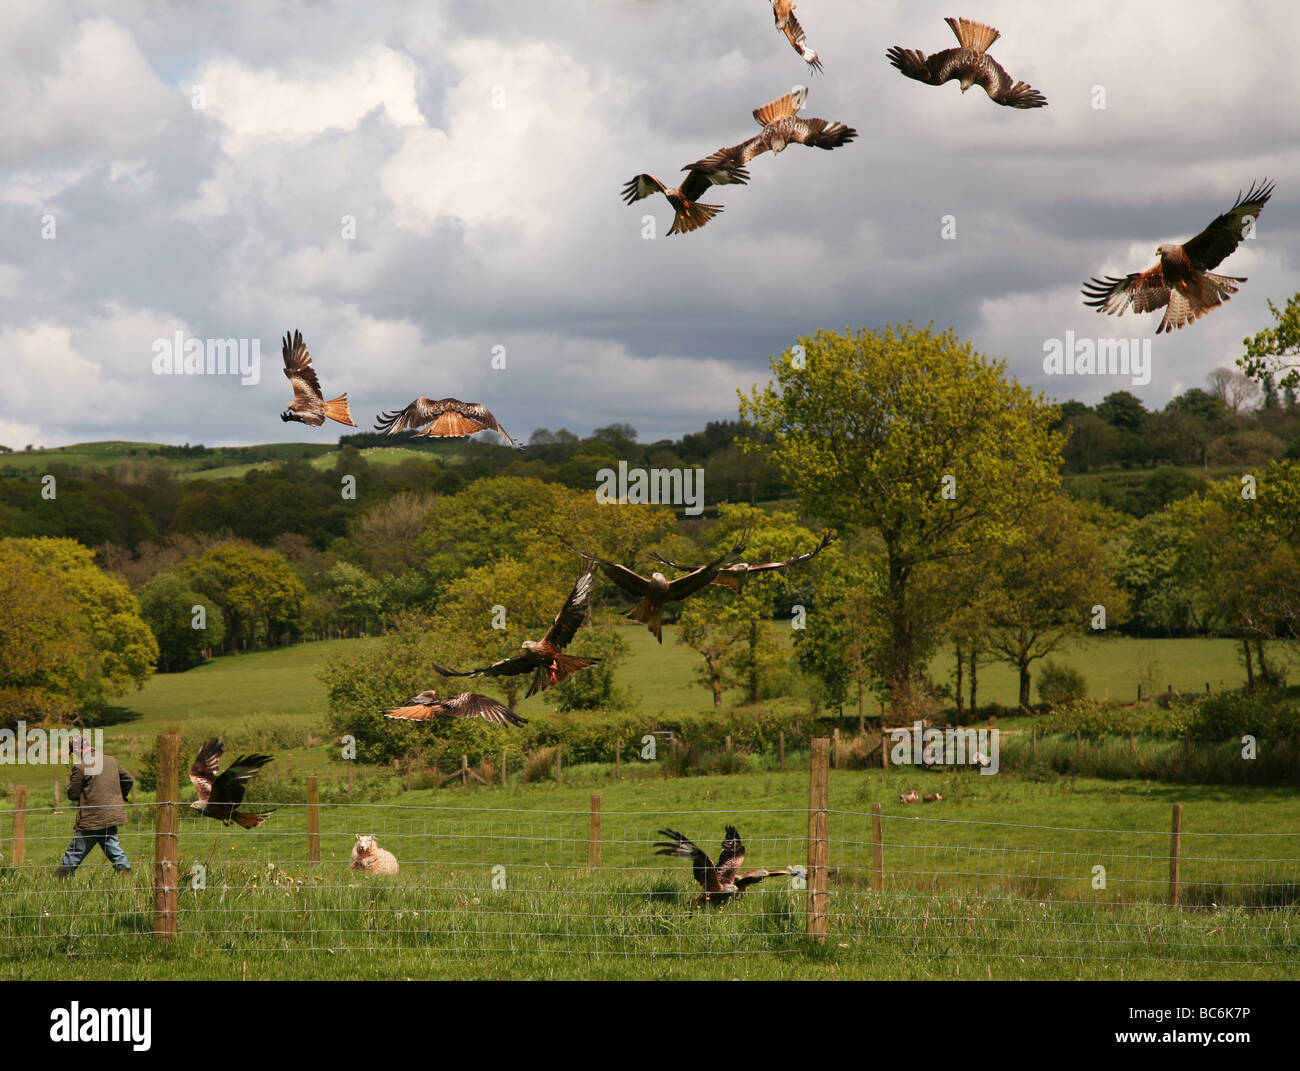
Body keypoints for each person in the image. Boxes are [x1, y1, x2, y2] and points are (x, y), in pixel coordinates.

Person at [55, 739, 134, 876]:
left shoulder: (81, 766)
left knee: (75, 852)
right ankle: (126, 874)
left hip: (92, 817)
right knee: (113, 847)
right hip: (112, 814)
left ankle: (59, 879)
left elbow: (73, 794)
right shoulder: (111, 760)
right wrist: (121, 795)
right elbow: (129, 779)